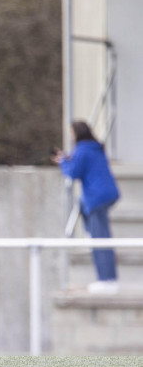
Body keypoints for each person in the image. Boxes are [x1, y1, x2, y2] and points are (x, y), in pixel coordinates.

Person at [52, 120, 120, 293]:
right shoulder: (94, 147)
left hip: (97, 197)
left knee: (100, 240)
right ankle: (89, 230)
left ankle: (107, 280)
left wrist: (62, 162)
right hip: (105, 194)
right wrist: (68, 158)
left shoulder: (82, 150)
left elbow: (73, 172)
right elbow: (82, 165)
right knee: (84, 208)